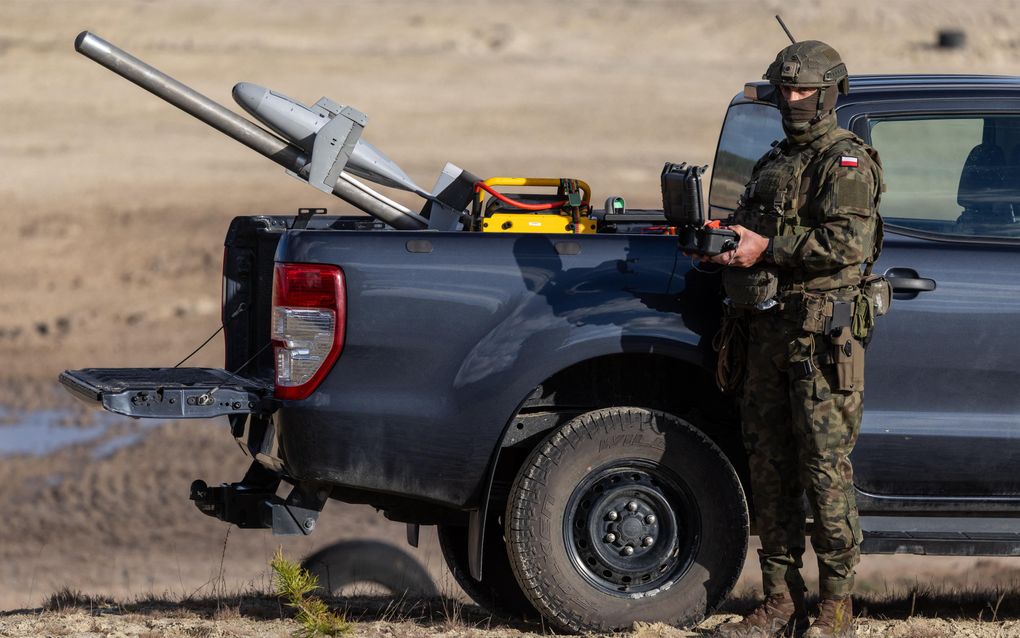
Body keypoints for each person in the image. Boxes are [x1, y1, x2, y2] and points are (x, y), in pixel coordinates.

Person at [706, 40, 884, 638]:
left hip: (820, 341)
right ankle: (780, 601)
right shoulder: (774, 160)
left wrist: (768, 248)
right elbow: (753, 229)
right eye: (785, 88)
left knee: (824, 472)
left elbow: (849, 244)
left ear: (829, 93)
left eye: (804, 89)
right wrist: (725, 243)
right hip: (765, 335)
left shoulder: (845, 162)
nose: (792, 99)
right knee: (770, 471)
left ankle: (836, 609)